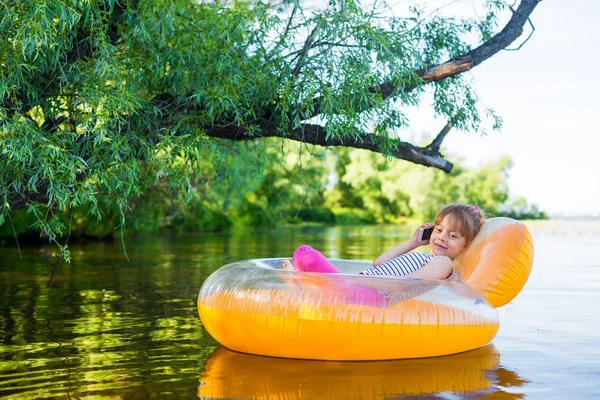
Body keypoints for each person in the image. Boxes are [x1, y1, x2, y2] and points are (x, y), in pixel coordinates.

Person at [283, 204, 485, 280]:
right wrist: (413, 242)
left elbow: (408, 284)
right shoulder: (424, 257)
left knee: (308, 256)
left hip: (369, 293)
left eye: (452, 235)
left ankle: (297, 279)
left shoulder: (444, 263)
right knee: (306, 255)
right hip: (361, 284)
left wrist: (362, 284)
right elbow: (379, 263)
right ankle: (299, 280)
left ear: (465, 246)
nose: (441, 237)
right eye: (439, 230)